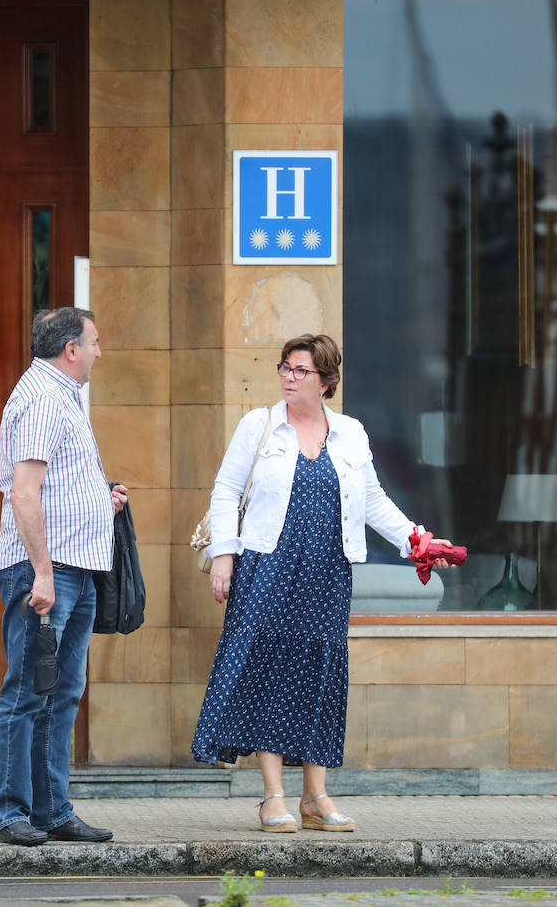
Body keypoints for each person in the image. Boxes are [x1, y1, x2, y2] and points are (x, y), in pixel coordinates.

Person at [191, 333, 456, 833]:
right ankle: (273, 796)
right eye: (285, 369)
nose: (289, 378)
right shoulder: (261, 425)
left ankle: (316, 796)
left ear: (326, 380)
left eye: (300, 371)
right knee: (268, 671)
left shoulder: (351, 433)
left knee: (319, 676)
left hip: (327, 571)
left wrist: (418, 541)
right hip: (267, 565)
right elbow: (225, 489)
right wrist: (223, 555)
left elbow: (374, 500)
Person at [0, 307, 128, 847]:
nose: (99, 351)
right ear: (70, 349)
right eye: (94, 342)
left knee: (63, 691)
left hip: (76, 565)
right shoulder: (43, 399)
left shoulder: (61, 395)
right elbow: (24, 492)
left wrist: (102, 501)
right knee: (27, 692)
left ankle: (52, 810)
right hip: (47, 570)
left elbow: (55, 485)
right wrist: (42, 574)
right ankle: (11, 812)